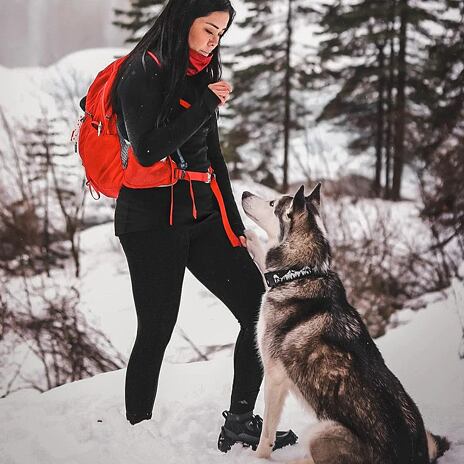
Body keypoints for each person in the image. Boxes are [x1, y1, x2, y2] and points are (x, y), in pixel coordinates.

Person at [111, 0, 297, 452]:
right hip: (150, 221)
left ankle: (239, 420)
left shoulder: (202, 72)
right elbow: (148, 150)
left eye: (221, 33)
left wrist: (234, 226)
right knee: (156, 327)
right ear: (183, 20)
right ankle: (137, 436)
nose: (215, 40)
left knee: (257, 311)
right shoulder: (143, 69)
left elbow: (212, 157)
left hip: (201, 214)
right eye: (209, 29)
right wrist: (204, 103)